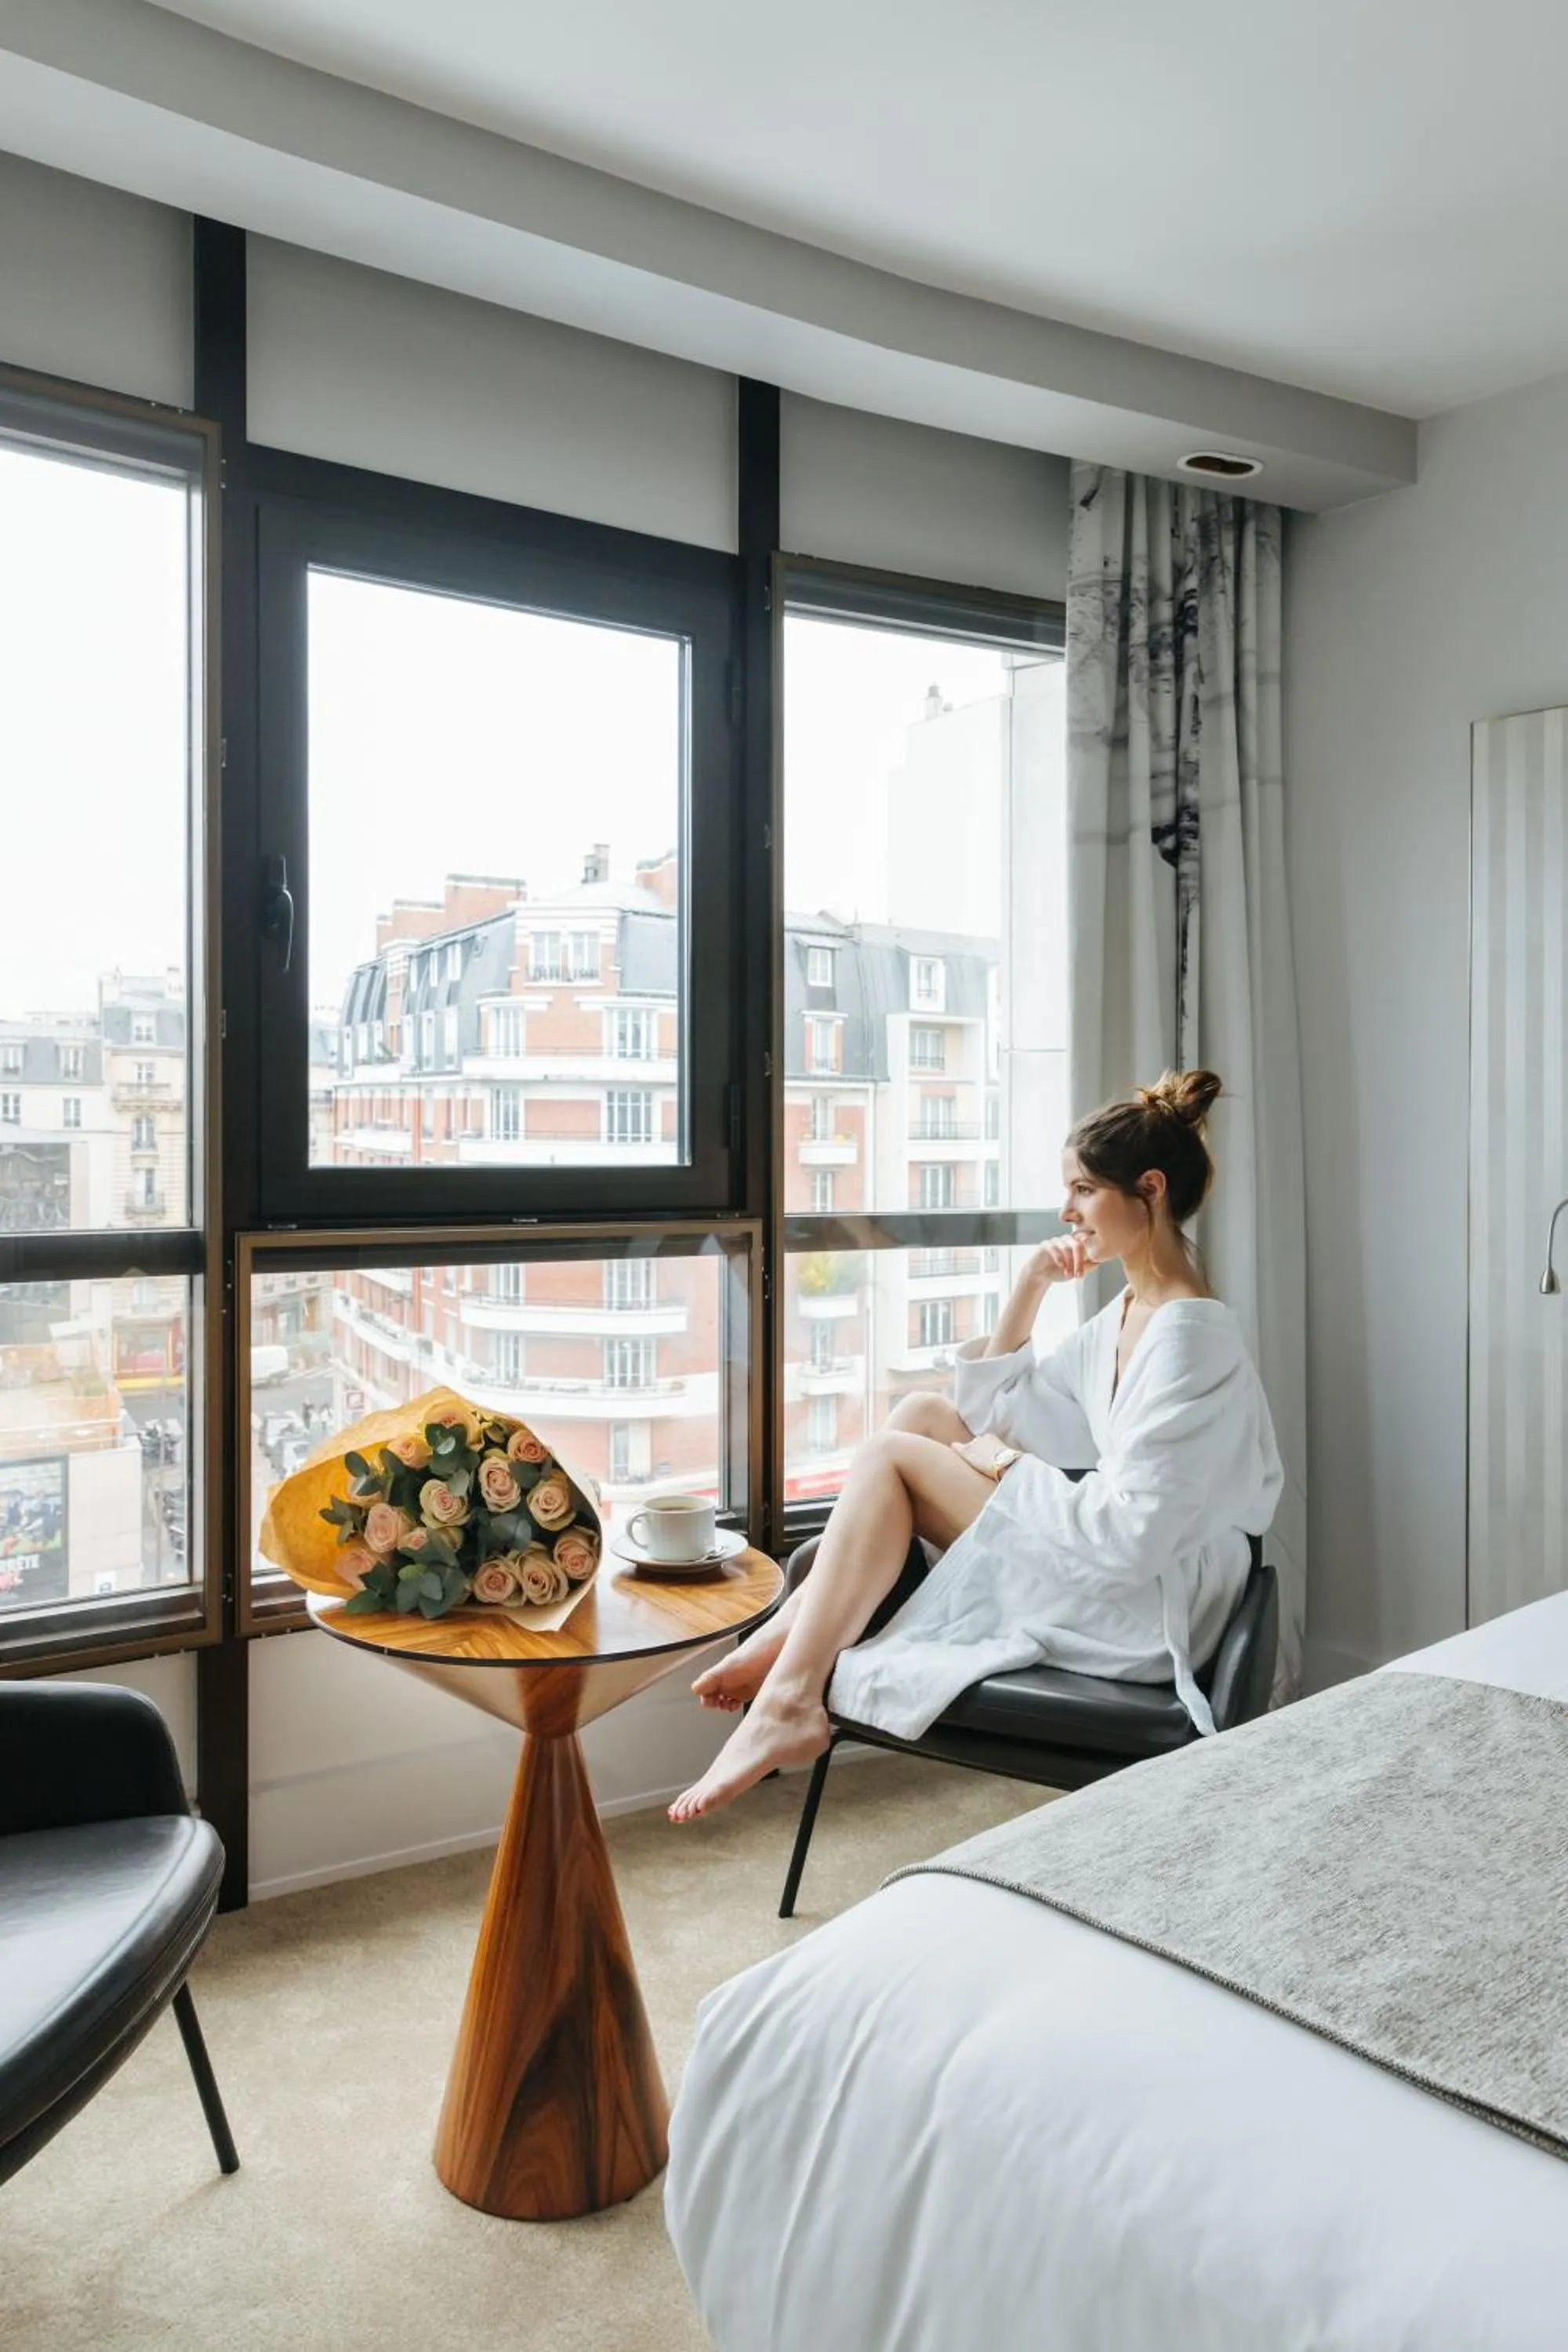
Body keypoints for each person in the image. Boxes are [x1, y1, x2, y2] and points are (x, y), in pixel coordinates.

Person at [667, 1068, 1283, 1825]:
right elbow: (998, 1412)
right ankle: (796, 1634)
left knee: (889, 1458)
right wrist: (1030, 1287)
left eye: (1084, 1190)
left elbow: (1132, 1536)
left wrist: (1000, 1465)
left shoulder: (1189, 1337)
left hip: (1150, 1604)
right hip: (1120, 1563)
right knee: (923, 1413)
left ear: (1148, 1190)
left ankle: (789, 1693)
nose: (1067, 1211)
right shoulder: (1132, 1311)